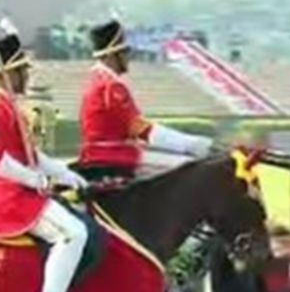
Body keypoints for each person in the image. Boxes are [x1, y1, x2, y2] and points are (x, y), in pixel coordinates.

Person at [0, 31, 91, 292]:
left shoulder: (7, 105)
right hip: (3, 196)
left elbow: (31, 154)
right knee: (74, 233)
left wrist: (65, 173)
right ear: (7, 72)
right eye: (21, 70)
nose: (26, 75)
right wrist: (37, 180)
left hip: (16, 190)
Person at [75, 19, 212, 183]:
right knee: (190, 167)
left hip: (104, 153)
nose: (129, 57)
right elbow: (143, 131)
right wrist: (194, 144)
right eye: (125, 51)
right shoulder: (111, 86)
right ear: (112, 55)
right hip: (115, 156)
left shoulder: (98, 80)